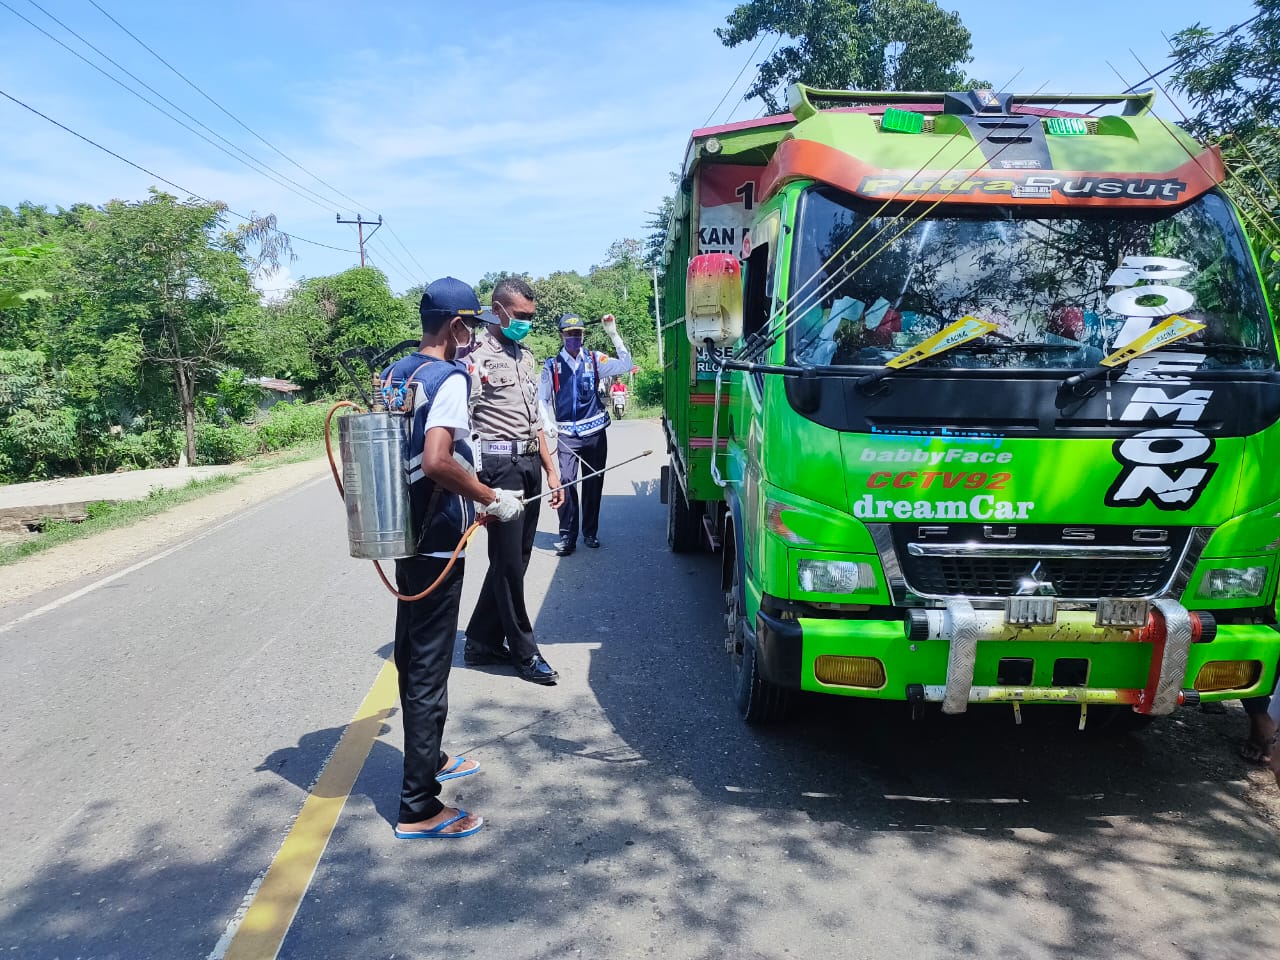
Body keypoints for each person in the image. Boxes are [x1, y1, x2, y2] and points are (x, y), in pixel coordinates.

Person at [380, 277, 523, 840]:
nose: (474, 338)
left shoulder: (397, 373)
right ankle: (418, 806)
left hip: (403, 528)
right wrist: (491, 497)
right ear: (457, 326)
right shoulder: (450, 378)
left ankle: (429, 755)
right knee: (430, 666)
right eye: (472, 327)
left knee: (410, 651)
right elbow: (438, 460)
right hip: (437, 537)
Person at [461, 277, 564, 685]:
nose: (526, 324)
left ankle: (482, 642)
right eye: (520, 317)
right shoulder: (474, 355)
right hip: (498, 468)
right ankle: (525, 653)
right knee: (506, 564)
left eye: (531, 317)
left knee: (517, 560)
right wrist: (475, 486)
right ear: (498, 310)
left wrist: (552, 469)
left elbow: (535, 419)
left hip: (528, 464)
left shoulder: (525, 356)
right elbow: (461, 423)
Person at [539, 312, 632, 556]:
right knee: (567, 482)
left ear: (583, 335)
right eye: (569, 334)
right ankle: (567, 536)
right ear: (561, 335)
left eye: (578, 334)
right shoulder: (552, 366)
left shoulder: (594, 359)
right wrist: (547, 420)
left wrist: (613, 334)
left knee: (593, 482)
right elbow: (542, 399)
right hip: (567, 435)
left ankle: (590, 532)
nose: (574, 338)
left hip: (595, 432)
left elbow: (625, 364)